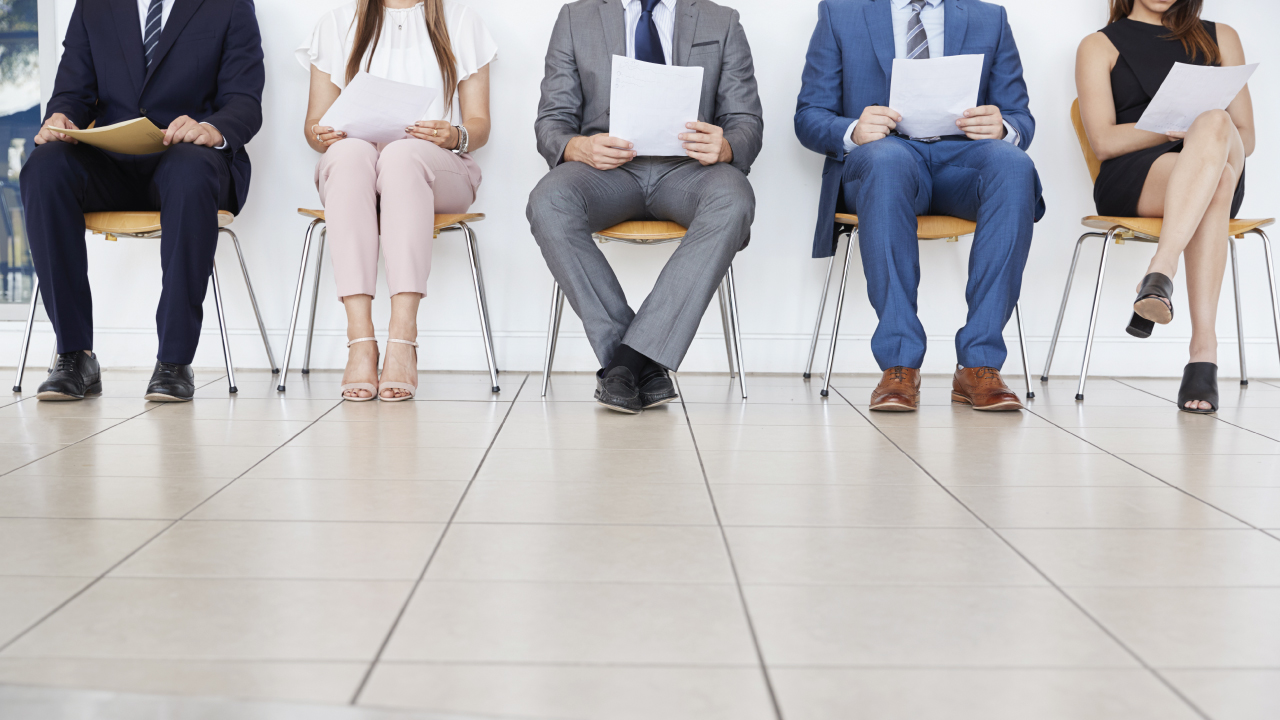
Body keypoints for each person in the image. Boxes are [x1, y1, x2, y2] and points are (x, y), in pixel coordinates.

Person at [795, 0, 1044, 413]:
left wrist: (1003, 127)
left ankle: (979, 363)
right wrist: (853, 129)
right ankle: (900, 364)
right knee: (886, 160)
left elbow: (1020, 116)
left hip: (962, 163)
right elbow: (810, 115)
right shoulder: (841, 14)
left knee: (1014, 164)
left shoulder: (989, 18)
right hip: (884, 162)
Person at [21, 0, 265, 402]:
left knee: (190, 171)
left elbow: (244, 100)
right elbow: (72, 93)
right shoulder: (95, 6)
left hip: (187, 160)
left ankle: (174, 361)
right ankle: (74, 355)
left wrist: (210, 128)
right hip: (110, 164)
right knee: (43, 168)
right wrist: (62, 117)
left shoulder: (230, 4)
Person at [527, 0, 763, 414]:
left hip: (690, 171)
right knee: (548, 200)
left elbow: (746, 121)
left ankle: (626, 364)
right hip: (608, 172)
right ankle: (641, 359)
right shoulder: (575, 18)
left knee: (734, 197)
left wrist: (726, 145)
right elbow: (551, 121)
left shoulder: (721, 20)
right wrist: (578, 146)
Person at [300, 0, 495, 401]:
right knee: (351, 154)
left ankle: (403, 339)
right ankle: (361, 341)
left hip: (436, 170)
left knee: (401, 154)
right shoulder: (337, 23)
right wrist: (322, 134)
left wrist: (454, 134)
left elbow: (479, 124)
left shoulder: (461, 21)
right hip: (358, 171)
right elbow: (313, 125)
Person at [1076, 0, 1253, 414]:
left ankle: (1161, 272)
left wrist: (1205, 129)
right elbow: (1103, 141)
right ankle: (1202, 353)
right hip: (1139, 176)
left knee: (1216, 130)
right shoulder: (1098, 46)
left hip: (1220, 160)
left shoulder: (1221, 36)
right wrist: (1169, 129)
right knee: (1217, 180)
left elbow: (1247, 133)